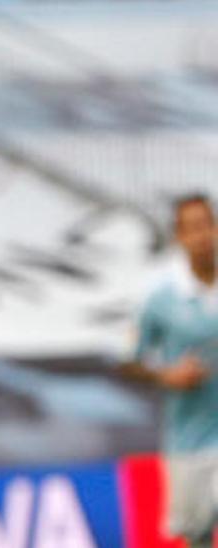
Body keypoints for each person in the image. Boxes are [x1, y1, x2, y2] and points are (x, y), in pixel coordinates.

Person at [121, 193, 218, 547]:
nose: (203, 235)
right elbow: (129, 361)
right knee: (198, 537)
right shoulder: (162, 299)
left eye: (207, 224)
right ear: (179, 237)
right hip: (190, 440)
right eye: (192, 228)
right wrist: (167, 375)